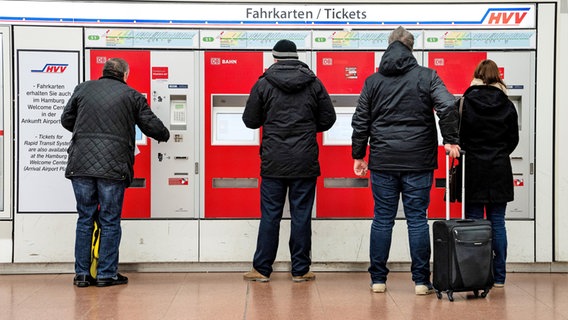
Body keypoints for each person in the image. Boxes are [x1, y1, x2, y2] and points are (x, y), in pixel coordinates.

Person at [351, 26, 461, 295]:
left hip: (384, 160)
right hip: (418, 161)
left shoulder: (373, 81)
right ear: (411, 49)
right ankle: (421, 281)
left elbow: (361, 120)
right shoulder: (427, 76)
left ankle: (378, 280)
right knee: (416, 220)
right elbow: (448, 105)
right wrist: (450, 139)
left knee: (382, 219)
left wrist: (358, 154)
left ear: (388, 47)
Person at [61, 58, 170, 287]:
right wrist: (165, 135)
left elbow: (66, 120)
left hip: (81, 163)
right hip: (112, 166)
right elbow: (152, 126)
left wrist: (88, 133)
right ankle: (106, 274)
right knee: (110, 220)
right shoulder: (131, 96)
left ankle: (82, 274)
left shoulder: (83, 88)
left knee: (85, 218)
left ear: (104, 72)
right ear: (125, 75)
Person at [242, 39, 336, 282]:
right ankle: (301, 270)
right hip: (304, 160)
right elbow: (328, 119)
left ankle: (262, 269)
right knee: (301, 215)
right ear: (296, 57)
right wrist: (305, 127)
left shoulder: (263, 84)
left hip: (274, 160)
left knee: (270, 214)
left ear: (275, 58)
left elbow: (250, 120)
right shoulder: (313, 83)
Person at [459, 59, 519, 288]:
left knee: (474, 223)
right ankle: (500, 277)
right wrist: (499, 153)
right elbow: (513, 140)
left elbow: (459, 137)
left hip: (473, 169)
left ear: (476, 76)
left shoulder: (465, 102)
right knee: (497, 223)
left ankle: (475, 274)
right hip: (499, 169)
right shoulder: (507, 104)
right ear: (498, 77)